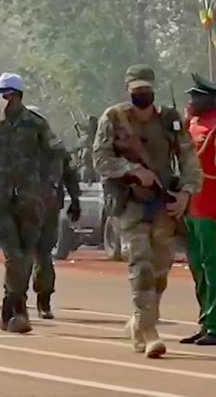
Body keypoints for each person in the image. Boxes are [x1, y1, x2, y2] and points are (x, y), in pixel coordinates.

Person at [93, 65, 200, 357]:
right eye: (136, 90)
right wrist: (132, 170)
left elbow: (188, 158)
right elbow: (100, 160)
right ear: (128, 90)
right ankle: (150, 331)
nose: (142, 95)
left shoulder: (169, 119)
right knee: (140, 267)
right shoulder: (114, 118)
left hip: (163, 202)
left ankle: (139, 321)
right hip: (129, 203)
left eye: (146, 90)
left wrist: (185, 193)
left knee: (160, 272)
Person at [0, 72, 64, 334]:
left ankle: (11, 308)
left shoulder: (37, 125)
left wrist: (50, 185)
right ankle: (15, 307)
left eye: (0, 93)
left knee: (24, 254)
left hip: (30, 199)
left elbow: (56, 154)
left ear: (12, 96)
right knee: (14, 254)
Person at [26, 106, 81, 319]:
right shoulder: (56, 146)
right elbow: (70, 175)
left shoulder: (24, 145)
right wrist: (75, 200)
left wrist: (75, 200)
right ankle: (42, 302)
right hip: (44, 203)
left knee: (26, 254)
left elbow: (69, 174)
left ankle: (32, 300)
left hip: (33, 204)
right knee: (41, 254)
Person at [183, 73, 216, 346]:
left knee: (212, 267)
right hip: (191, 208)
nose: (191, 102)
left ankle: (215, 325)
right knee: (198, 268)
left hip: (210, 207)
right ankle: (205, 321)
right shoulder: (191, 125)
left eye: (196, 97)